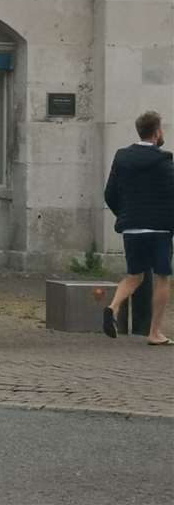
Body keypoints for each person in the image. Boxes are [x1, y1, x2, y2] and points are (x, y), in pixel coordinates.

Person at [101, 110, 173, 345]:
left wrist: (125, 215)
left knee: (134, 276)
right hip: (159, 230)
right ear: (156, 132)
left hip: (132, 229)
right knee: (163, 278)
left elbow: (110, 193)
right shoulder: (164, 161)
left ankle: (112, 307)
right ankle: (154, 332)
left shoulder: (121, 158)